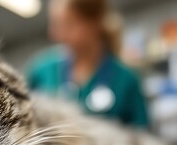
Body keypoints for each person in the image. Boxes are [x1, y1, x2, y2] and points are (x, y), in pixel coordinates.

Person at [26, 0, 149, 128]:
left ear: (95, 23)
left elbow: (142, 136)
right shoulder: (41, 72)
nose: (56, 35)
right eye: (55, 25)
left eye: (68, 25)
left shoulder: (126, 80)